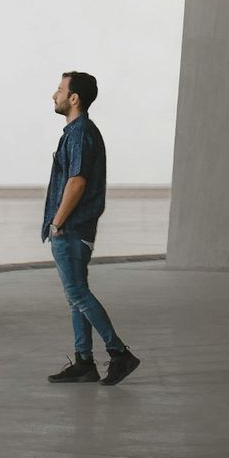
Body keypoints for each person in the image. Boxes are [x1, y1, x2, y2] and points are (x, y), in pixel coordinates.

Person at [41, 71, 139, 387]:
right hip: (75, 228)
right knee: (76, 297)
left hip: (71, 228)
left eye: (59, 90)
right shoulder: (75, 132)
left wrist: (58, 222)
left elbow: (77, 181)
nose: (53, 95)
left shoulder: (80, 133)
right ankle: (84, 362)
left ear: (74, 98)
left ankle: (119, 352)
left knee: (78, 294)